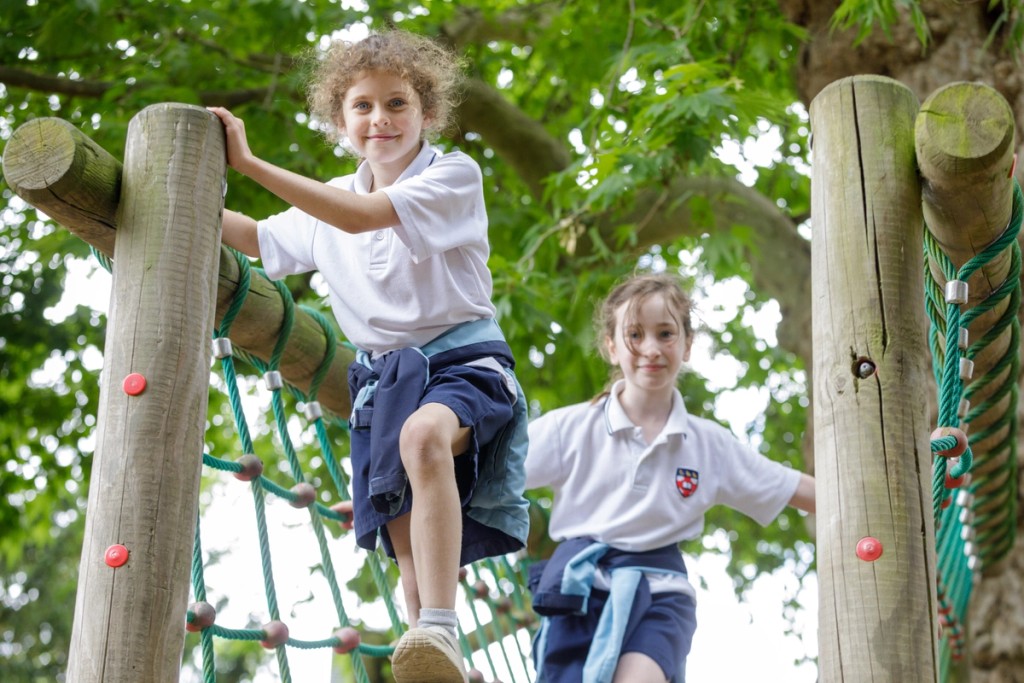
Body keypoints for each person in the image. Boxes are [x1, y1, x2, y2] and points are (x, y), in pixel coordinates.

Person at [209, 29, 529, 683]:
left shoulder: (451, 176)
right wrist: (170, 193)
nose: (379, 119)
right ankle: (434, 651)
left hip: (464, 363)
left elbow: (362, 216)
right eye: (362, 105)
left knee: (423, 438)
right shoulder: (326, 200)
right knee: (405, 534)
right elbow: (258, 239)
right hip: (384, 380)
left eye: (397, 103)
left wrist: (247, 163)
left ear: (428, 115)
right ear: (339, 121)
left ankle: (440, 621)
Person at [524, 273, 815, 683]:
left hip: (660, 592)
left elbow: (793, 488)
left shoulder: (708, 445)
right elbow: (493, 474)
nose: (651, 349)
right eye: (635, 335)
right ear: (611, 347)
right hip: (580, 588)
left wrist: (909, 490)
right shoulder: (571, 429)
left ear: (687, 345)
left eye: (665, 334)